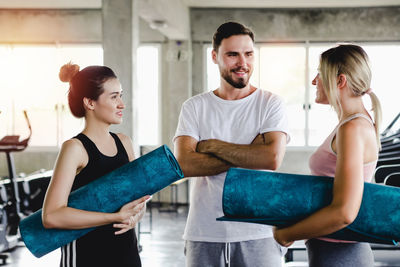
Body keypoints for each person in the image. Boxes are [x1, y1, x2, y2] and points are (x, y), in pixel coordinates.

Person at [174, 21, 290, 267]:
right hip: (204, 233)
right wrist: (249, 151)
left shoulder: (270, 104)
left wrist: (213, 145)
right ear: (215, 56)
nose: (243, 63)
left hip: (258, 232)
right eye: (233, 54)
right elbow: (184, 164)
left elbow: (270, 159)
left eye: (248, 54)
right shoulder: (195, 107)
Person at [273, 44, 382, 267]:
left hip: (342, 254)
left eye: (320, 74)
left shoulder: (353, 129)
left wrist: (286, 235)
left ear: (340, 81)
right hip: (333, 252)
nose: (314, 81)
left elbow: (344, 212)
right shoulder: (350, 124)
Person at [42, 62, 149, 267]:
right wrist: (113, 217)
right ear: (90, 103)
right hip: (86, 256)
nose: (121, 104)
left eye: (121, 95)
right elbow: (52, 216)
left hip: (126, 255)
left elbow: (138, 203)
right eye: (113, 96)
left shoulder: (125, 142)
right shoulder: (74, 148)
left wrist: (134, 217)